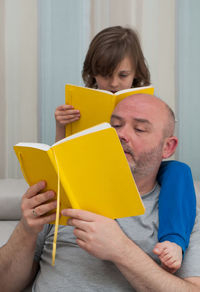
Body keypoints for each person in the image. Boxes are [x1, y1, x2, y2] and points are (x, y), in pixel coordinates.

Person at [1, 94, 200, 292]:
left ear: (168, 147)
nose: (120, 134)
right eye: (114, 125)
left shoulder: (183, 215)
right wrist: (25, 231)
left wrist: (121, 250)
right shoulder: (64, 193)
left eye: (139, 129)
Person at [54, 26, 196, 272]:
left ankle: (173, 239)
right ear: (92, 72)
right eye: (104, 75)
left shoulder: (145, 101)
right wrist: (61, 126)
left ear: (136, 73)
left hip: (136, 166)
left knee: (179, 170)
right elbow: (64, 153)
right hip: (94, 164)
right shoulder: (83, 102)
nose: (113, 84)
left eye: (122, 75)